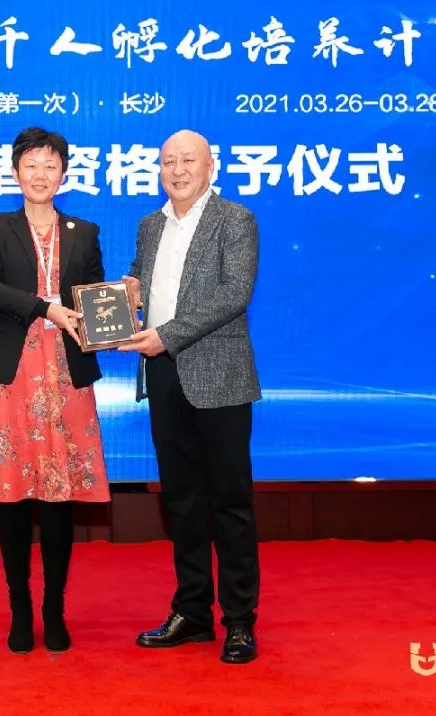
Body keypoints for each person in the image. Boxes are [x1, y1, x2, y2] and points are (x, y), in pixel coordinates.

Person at [0, 127, 110, 655]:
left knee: (60, 499)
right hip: (12, 374)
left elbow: (94, 297)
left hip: (65, 374)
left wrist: (117, 309)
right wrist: (44, 308)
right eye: (31, 165)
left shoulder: (84, 232)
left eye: (50, 165)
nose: (41, 174)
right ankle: (20, 609)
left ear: (63, 173)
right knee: (14, 497)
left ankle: (54, 608)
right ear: (15, 171)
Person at [119, 129, 262, 664]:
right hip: (162, 376)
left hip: (220, 377)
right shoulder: (150, 225)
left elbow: (234, 294)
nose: (177, 170)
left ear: (210, 167)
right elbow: (145, 283)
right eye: (168, 162)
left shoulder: (236, 220)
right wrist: (130, 291)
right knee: (181, 501)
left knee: (230, 502)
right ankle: (192, 611)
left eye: (188, 161)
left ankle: (240, 620)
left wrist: (168, 335)